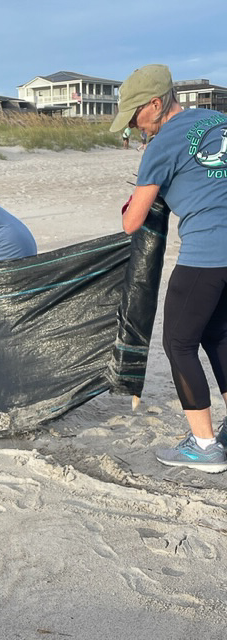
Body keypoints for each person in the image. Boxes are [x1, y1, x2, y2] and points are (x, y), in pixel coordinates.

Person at [110, 63, 227, 473]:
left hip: (208, 253)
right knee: (218, 335)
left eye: (134, 117)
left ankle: (205, 446)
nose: (134, 127)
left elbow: (131, 222)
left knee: (178, 343)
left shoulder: (164, 142)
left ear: (156, 105)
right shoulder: (219, 121)